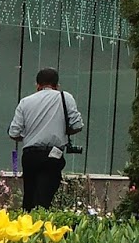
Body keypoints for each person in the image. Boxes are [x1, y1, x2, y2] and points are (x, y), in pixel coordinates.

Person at [7, 67, 84, 211]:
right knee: (44, 198)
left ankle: (27, 220)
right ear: (57, 85)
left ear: (37, 85)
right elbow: (77, 125)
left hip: (30, 155)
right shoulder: (65, 97)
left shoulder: (25, 102)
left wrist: (29, 136)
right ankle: (41, 219)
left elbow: (14, 133)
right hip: (53, 155)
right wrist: (62, 131)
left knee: (29, 197)